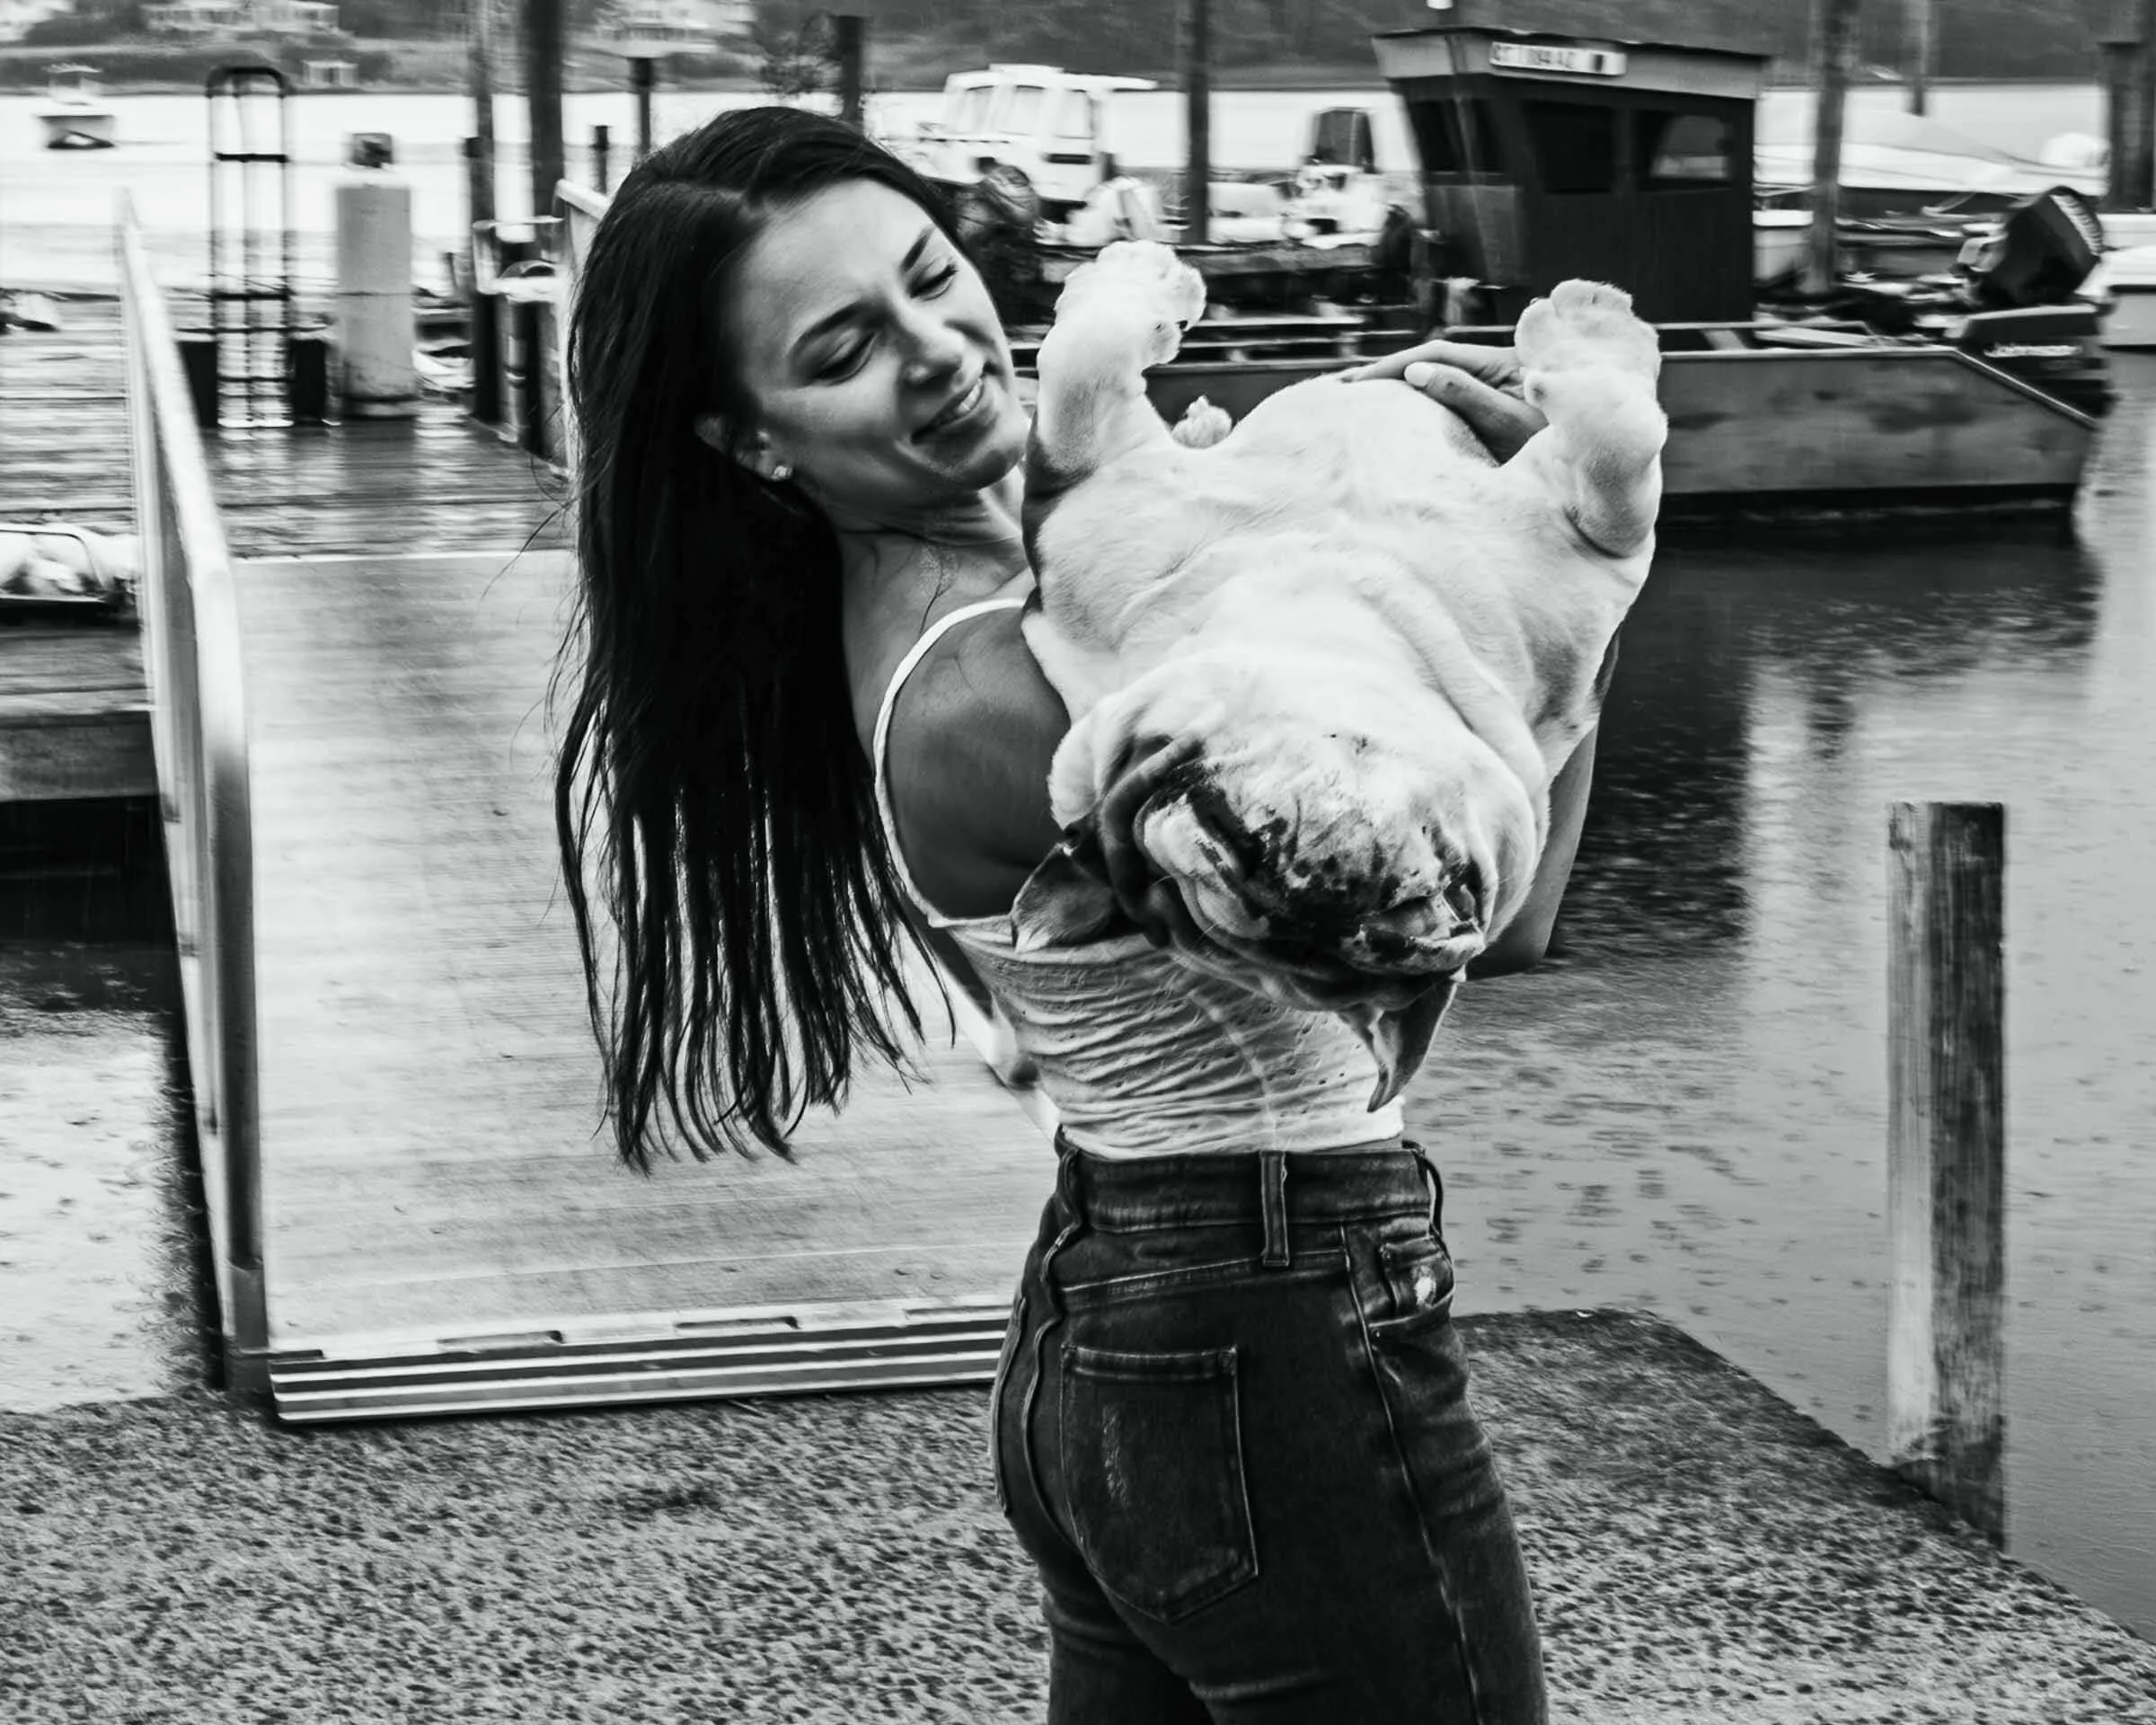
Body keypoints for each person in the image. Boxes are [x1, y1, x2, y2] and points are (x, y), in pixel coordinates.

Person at [554, 105, 1601, 1724]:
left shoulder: (1042, 569)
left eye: (930, 277)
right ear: (751, 440)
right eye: (842, 349)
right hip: (1269, 1325)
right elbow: (1476, 914)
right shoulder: (996, 694)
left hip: (1132, 1321)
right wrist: (1563, 567)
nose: (938, 351)